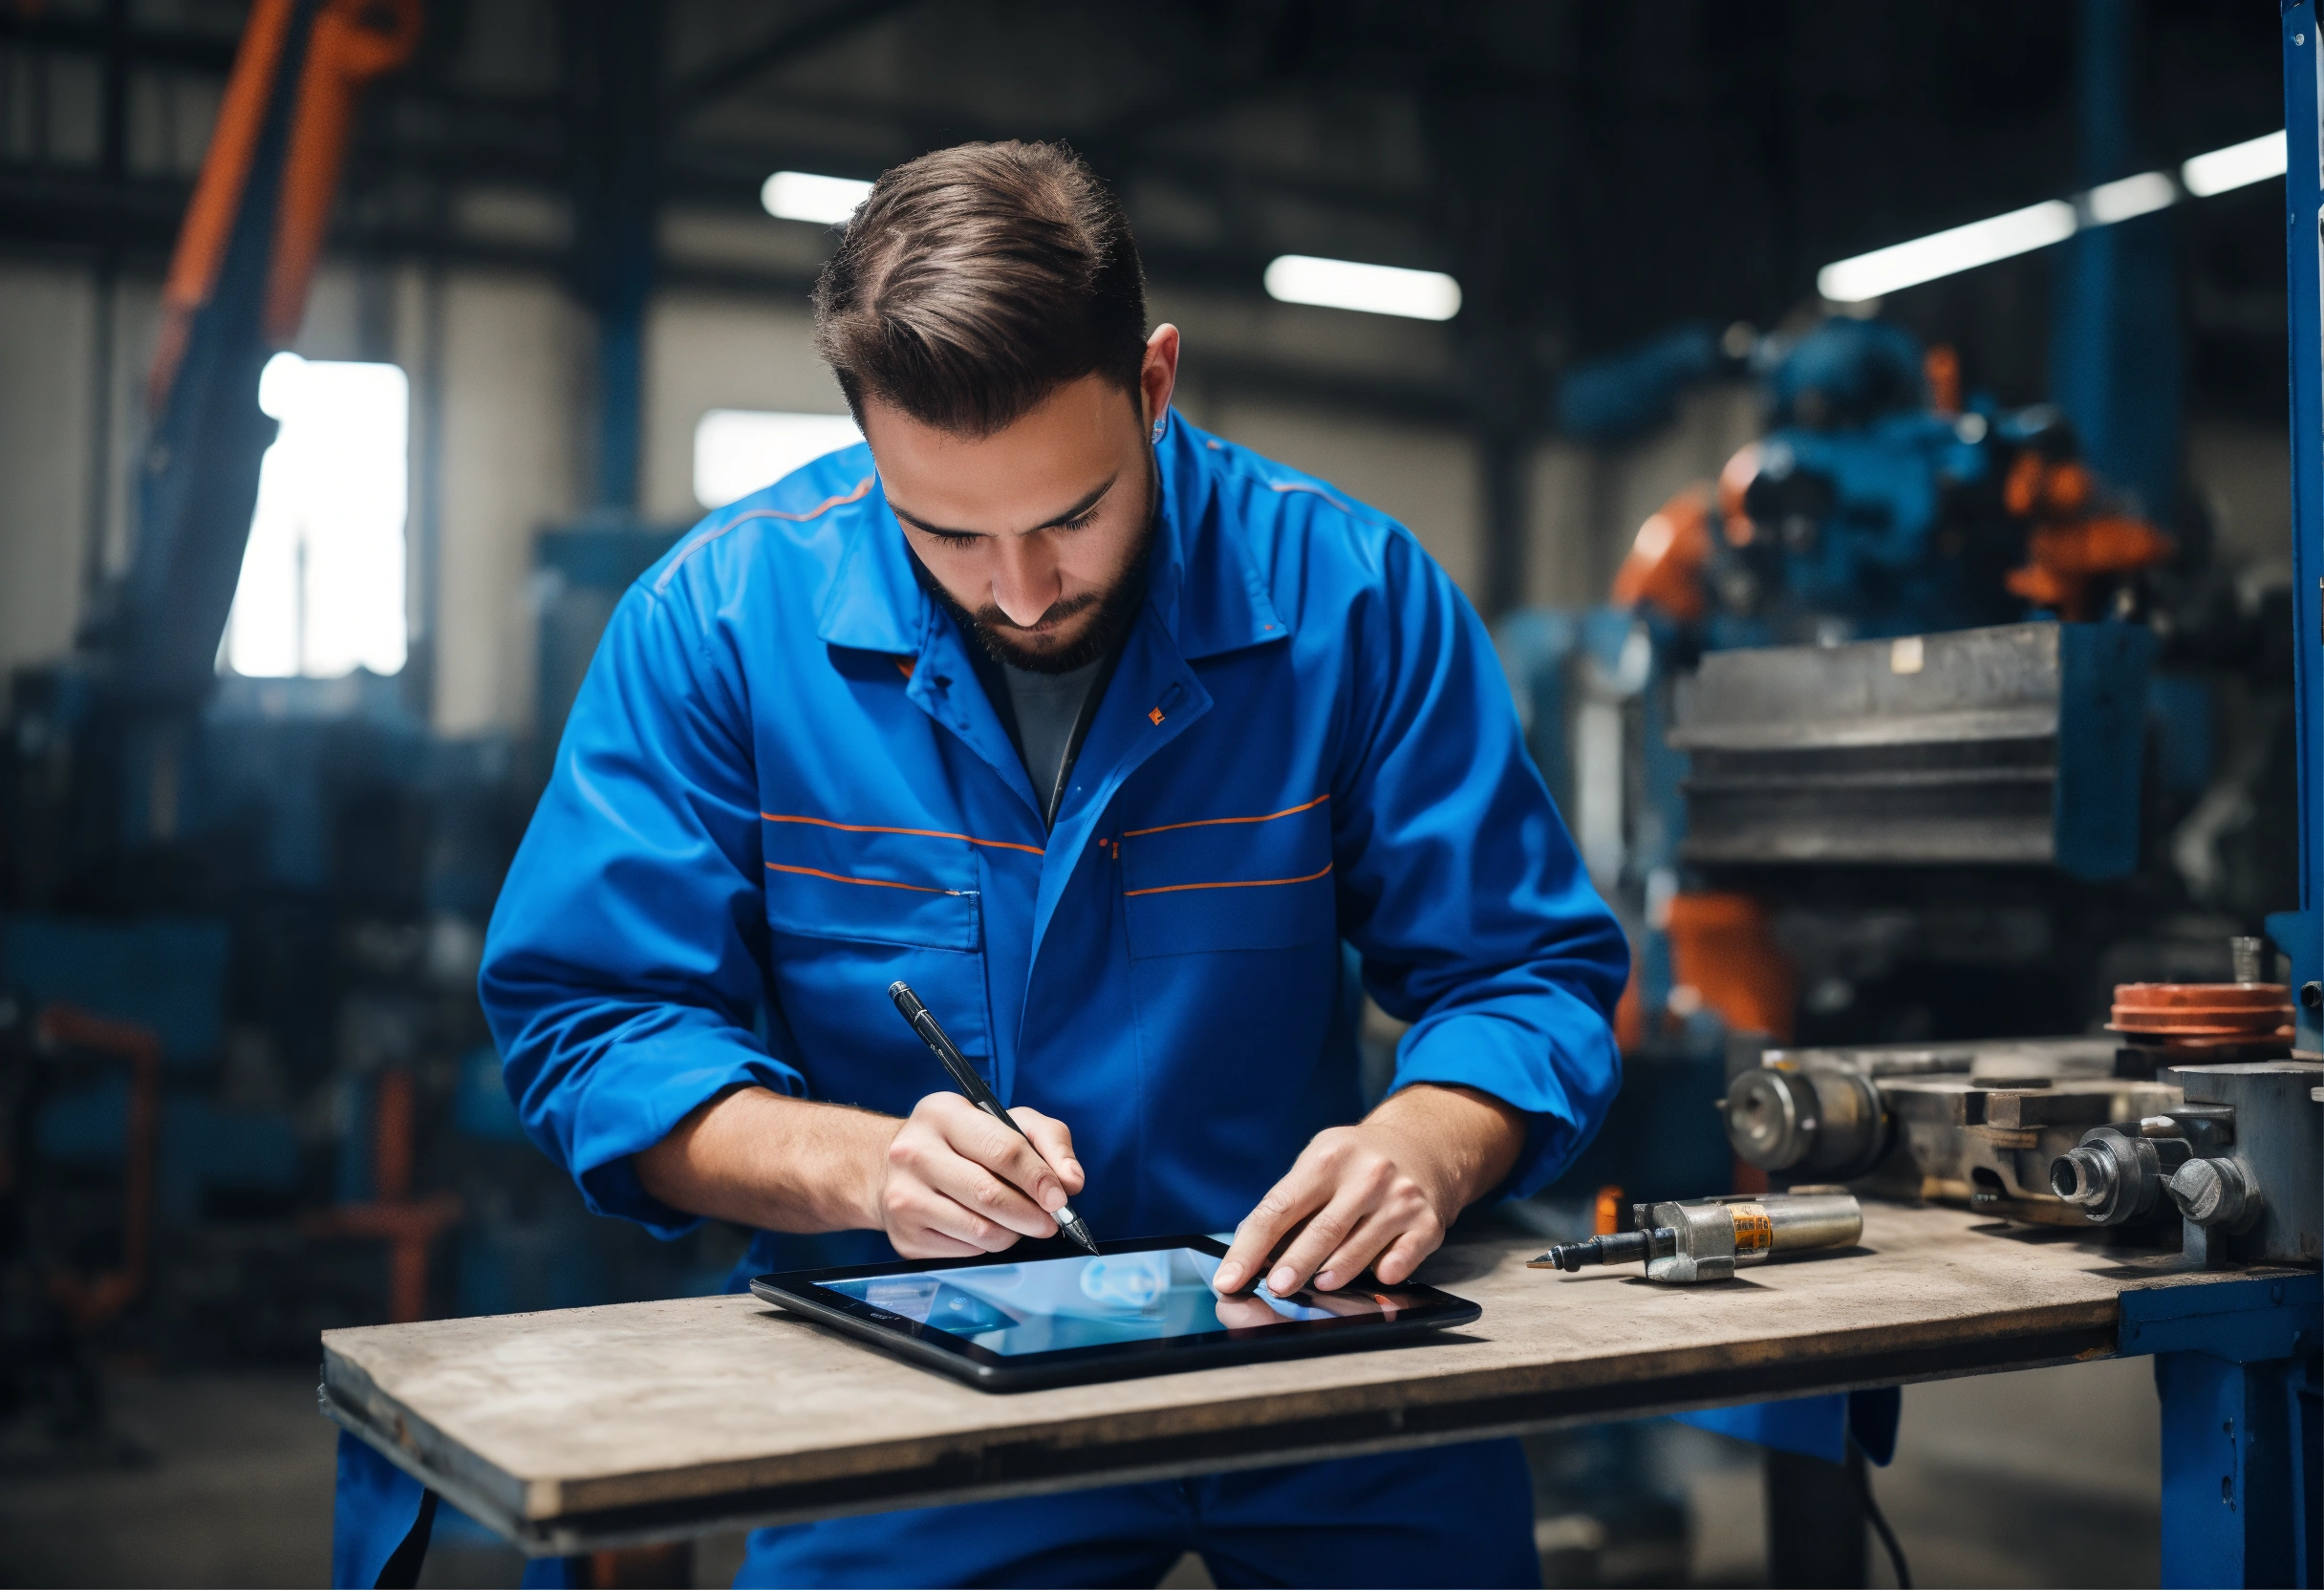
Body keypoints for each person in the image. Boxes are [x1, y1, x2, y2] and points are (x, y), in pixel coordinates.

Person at [481, 140, 1625, 1588]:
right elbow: (593, 1031)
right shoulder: (717, 627)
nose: (1020, 592)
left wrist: (1426, 1148)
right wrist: (866, 1167)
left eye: (1072, 516)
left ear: (1152, 384)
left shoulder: (1354, 600)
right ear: (865, 436)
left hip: (1321, 1342)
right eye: (945, 532)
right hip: (925, 1364)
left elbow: (1525, 973)